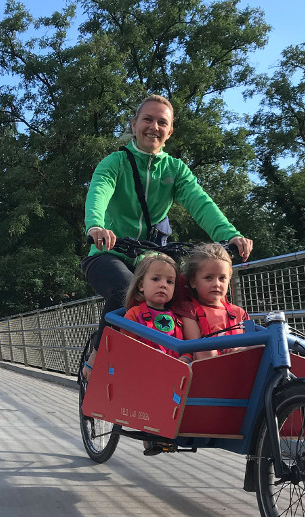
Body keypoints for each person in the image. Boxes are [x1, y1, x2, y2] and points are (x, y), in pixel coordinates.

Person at [81, 93, 253, 379]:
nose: (154, 127)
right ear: (134, 123)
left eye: (162, 122)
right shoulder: (115, 163)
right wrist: (96, 227)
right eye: (147, 119)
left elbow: (201, 204)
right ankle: (98, 359)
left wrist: (231, 235)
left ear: (170, 131)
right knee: (126, 292)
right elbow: (99, 192)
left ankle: (184, 364)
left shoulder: (175, 170)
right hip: (107, 252)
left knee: (181, 293)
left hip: (149, 256)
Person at [180, 243, 250, 360]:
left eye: (222, 278)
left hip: (240, 366)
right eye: (208, 278)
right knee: (205, 350)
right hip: (209, 367)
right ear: (193, 282)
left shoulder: (239, 313)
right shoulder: (190, 310)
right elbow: (195, 346)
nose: (216, 284)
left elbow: (252, 341)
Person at [120, 253, 192, 363]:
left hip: (175, 372)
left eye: (169, 282)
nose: (163, 285)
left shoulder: (177, 317)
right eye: (156, 279)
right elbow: (125, 348)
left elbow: (185, 347)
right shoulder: (133, 314)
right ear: (141, 285)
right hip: (146, 370)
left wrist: (186, 357)